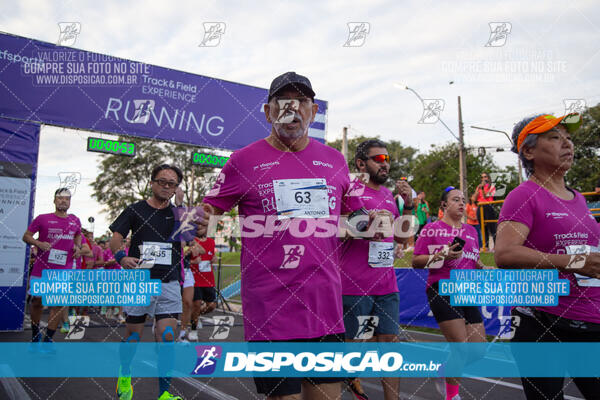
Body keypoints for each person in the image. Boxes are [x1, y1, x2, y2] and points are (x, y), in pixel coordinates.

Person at [197, 71, 370, 399]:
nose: (293, 108)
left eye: (301, 101)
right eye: (283, 101)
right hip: (272, 311)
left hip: (325, 310)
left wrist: (373, 222)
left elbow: (356, 219)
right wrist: (194, 219)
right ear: (268, 111)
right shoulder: (242, 161)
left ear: (313, 111)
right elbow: (209, 214)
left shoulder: (335, 160)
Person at [494, 113, 600, 399]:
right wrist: (576, 263)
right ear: (529, 150)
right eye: (555, 138)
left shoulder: (579, 199)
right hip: (541, 322)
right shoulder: (523, 195)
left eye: (569, 138)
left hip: (590, 320)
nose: (567, 144)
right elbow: (504, 253)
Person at [340, 139, 414, 400]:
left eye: (388, 159)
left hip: (386, 284)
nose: (386, 164)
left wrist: (410, 204)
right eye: (379, 159)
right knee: (353, 352)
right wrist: (365, 226)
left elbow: (401, 239)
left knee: (390, 349)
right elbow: (336, 231)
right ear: (361, 163)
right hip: (354, 285)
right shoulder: (349, 190)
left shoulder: (387, 195)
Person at [110, 164, 187, 400]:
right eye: (161, 181)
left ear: (176, 188)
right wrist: (122, 257)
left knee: (166, 338)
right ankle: (125, 374)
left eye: (171, 183)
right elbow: (116, 238)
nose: (166, 186)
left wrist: (182, 207)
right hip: (140, 281)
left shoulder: (178, 213)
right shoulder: (135, 210)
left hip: (169, 282)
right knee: (133, 336)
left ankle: (164, 394)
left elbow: (187, 237)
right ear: (151, 182)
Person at [411, 187, 487, 400]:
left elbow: (472, 258)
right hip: (442, 288)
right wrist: (442, 255)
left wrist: (480, 266)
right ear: (444, 205)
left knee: (479, 350)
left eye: (463, 200)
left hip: (467, 289)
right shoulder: (431, 229)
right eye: (456, 200)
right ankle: (452, 396)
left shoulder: (472, 232)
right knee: (461, 349)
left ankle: (444, 371)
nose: (462, 203)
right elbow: (416, 261)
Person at [22, 188, 82, 348]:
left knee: (57, 304)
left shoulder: (75, 220)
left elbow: (78, 234)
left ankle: (48, 339)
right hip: (42, 269)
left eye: (67, 199)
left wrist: (77, 245)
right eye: (60, 198)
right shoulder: (43, 219)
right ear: (54, 200)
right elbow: (26, 236)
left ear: (70, 202)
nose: (64, 201)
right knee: (37, 302)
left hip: (64, 270)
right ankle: (35, 334)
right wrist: (38, 243)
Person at [187, 234, 217, 341]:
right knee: (197, 303)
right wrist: (193, 262)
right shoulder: (191, 240)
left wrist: (214, 259)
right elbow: (182, 260)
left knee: (212, 306)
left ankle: (196, 316)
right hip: (195, 279)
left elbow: (212, 256)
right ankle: (193, 329)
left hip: (208, 279)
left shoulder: (211, 242)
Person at [474, 172, 496, 251]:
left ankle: (495, 246)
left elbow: (486, 196)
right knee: (483, 228)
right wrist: (478, 189)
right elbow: (474, 199)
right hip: (480, 206)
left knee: (492, 228)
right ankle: (486, 247)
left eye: (485, 177)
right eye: (482, 177)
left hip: (489, 206)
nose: (483, 179)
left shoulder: (492, 186)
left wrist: (482, 189)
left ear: (488, 178)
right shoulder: (479, 187)